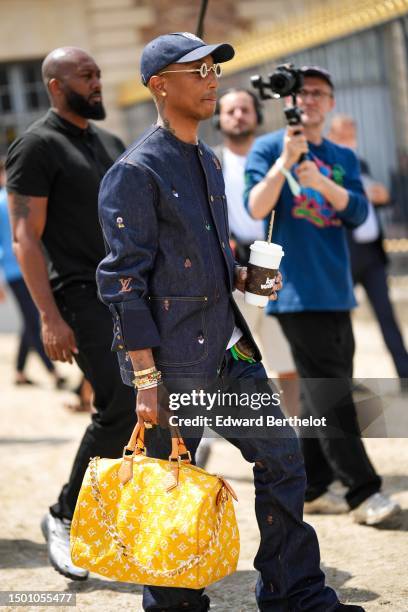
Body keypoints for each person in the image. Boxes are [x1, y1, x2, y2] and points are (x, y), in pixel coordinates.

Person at [97, 32, 364, 612]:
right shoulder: (134, 171)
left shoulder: (208, 160)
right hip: (174, 367)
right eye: (197, 69)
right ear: (159, 85)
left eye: (215, 67)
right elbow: (123, 283)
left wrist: (242, 274)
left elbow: (201, 255)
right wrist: (146, 381)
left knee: (284, 457)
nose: (212, 77)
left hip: (230, 352)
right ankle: (174, 606)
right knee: (172, 490)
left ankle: (294, 591)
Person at [246, 66, 400, 526]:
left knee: (320, 393)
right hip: (294, 290)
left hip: (338, 289)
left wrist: (320, 182)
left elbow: (357, 212)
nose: (309, 100)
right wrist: (285, 164)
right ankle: (362, 492)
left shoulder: (341, 155)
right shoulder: (269, 147)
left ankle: (311, 486)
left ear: (330, 104)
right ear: (289, 101)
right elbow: (256, 206)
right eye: (303, 93)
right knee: (334, 392)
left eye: (319, 93)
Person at [6, 47, 135, 581]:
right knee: (120, 403)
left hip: (129, 294)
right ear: (56, 85)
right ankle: (63, 514)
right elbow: (24, 237)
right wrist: (48, 316)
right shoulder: (36, 145)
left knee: (149, 409)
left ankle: (117, 523)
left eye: (100, 72)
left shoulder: (110, 142)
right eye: (87, 74)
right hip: (78, 296)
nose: (98, 81)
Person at [196, 89, 299, 468]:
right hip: (236, 274)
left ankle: (295, 438)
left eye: (244, 109)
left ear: (256, 115)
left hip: (280, 268)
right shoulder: (210, 162)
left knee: (287, 362)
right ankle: (204, 438)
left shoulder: (274, 157)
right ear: (219, 120)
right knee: (224, 359)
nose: (238, 115)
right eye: (230, 110)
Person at [328, 114, 408, 388]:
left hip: (372, 256)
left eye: (353, 129)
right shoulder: (328, 164)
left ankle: (405, 373)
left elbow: (372, 201)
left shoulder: (360, 162)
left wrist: (384, 198)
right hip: (346, 255)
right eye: (344, 130)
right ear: (333, 134)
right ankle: (344, 381)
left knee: (387, 316)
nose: (351, 134)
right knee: (340, 322)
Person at [0, 158, 66, 386]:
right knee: (33, 320)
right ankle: (53, 373)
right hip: (18, 271)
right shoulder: (7, 201)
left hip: (19, 271)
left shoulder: (13, 201)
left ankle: (19, 371)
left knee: (29, 321)